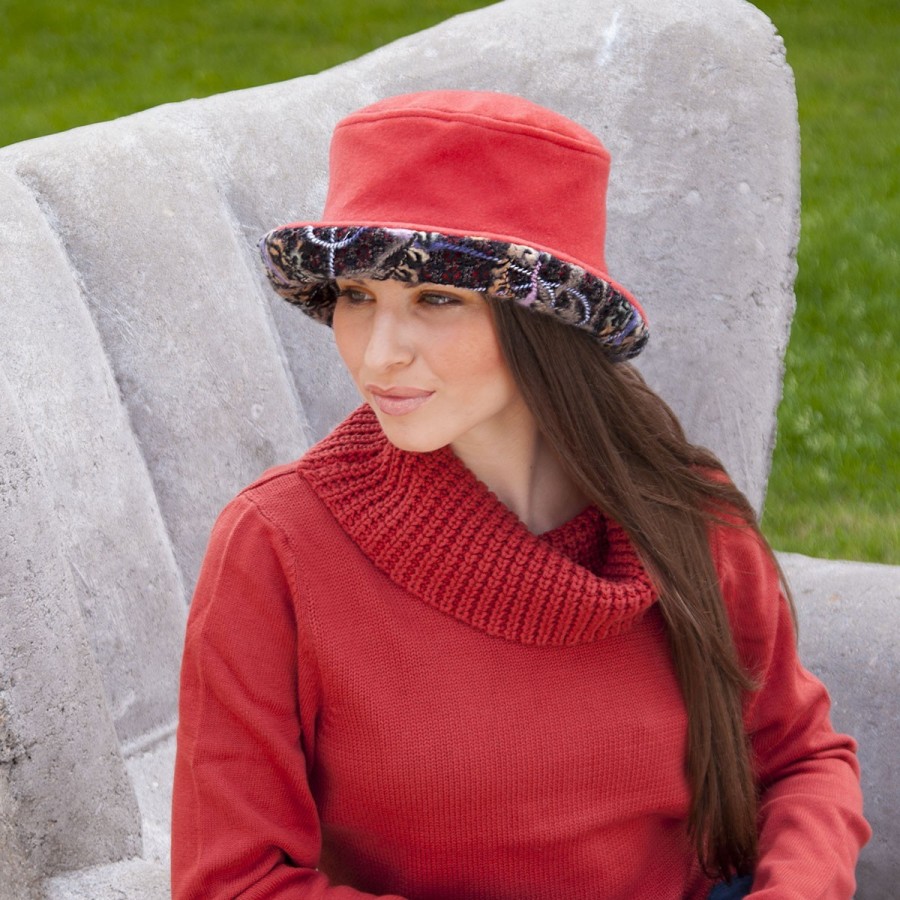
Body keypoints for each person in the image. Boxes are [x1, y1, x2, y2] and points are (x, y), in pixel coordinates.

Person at [171, 90, 869, 899]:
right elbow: (232, 881)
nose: (378, 353)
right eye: (357, 296)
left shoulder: (685, 512)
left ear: (543, 325)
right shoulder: (277, 545)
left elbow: (798, 759)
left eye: (436, 299)